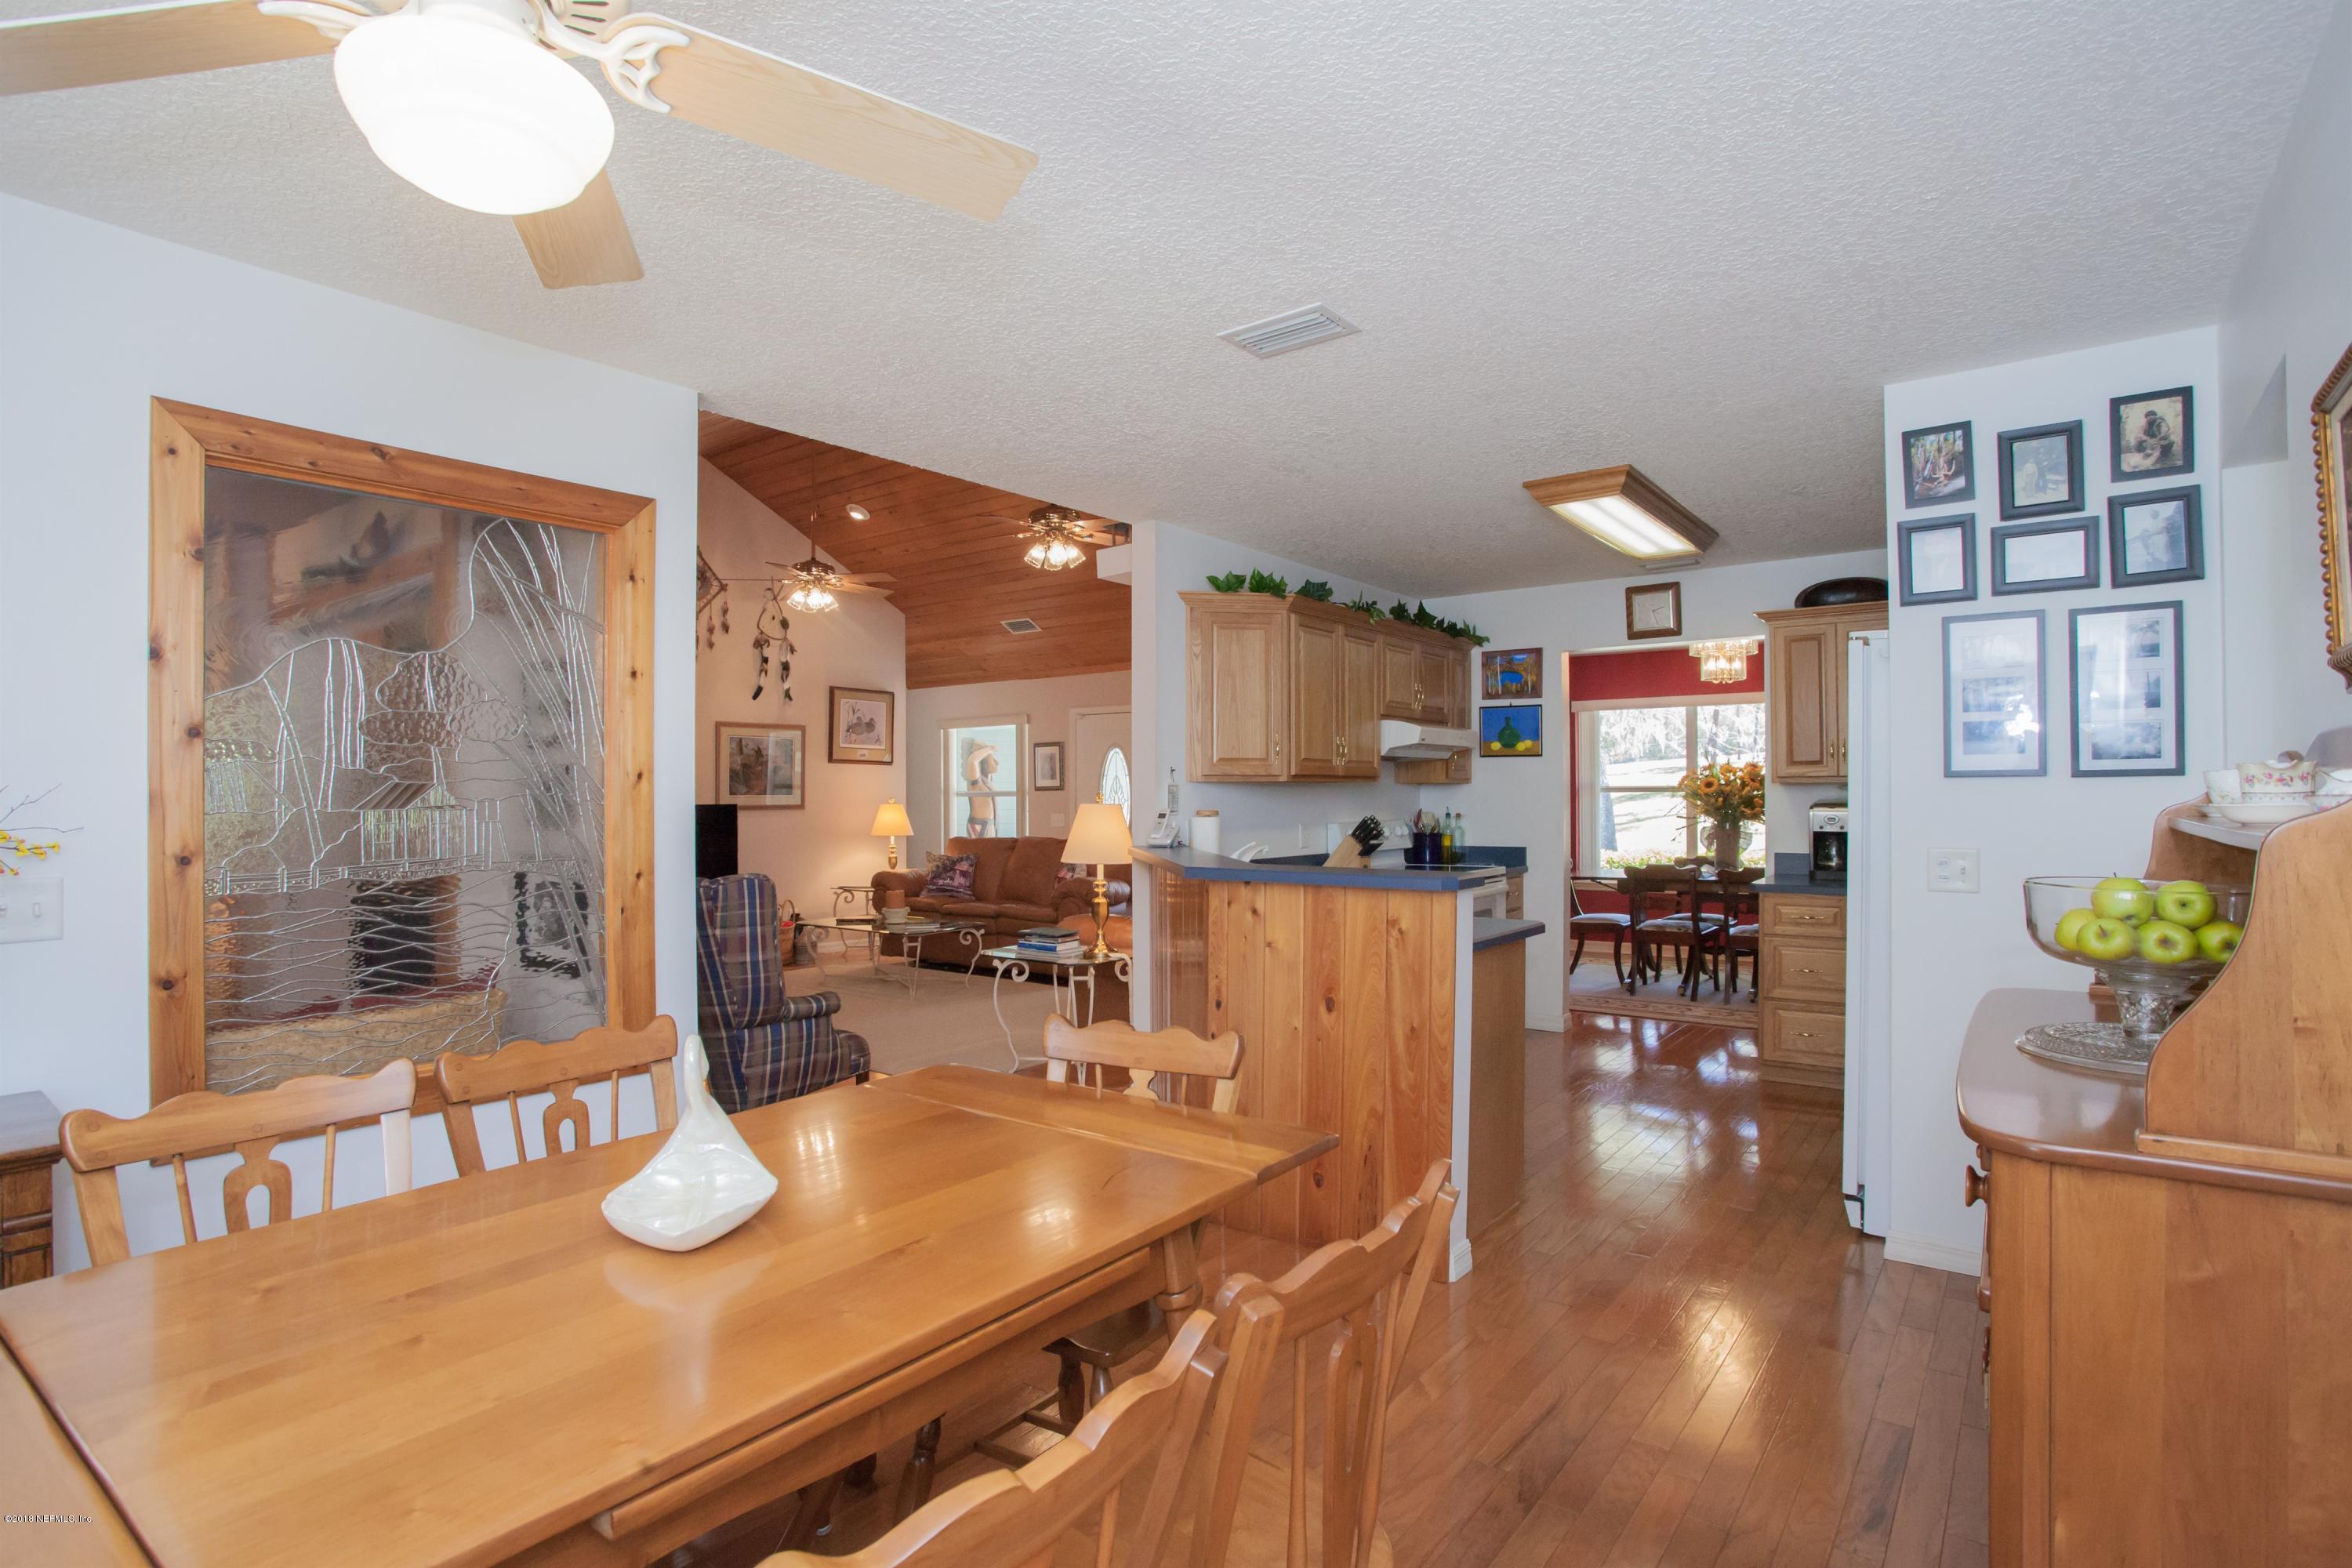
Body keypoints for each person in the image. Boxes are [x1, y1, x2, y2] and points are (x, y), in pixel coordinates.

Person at [964, 742, 1000, 837]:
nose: (997, 762)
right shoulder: (976, 780)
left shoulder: (987, 781)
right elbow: (972, 761)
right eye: (992, 759)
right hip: (979, 826)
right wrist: (990, 749)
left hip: (989, 824)